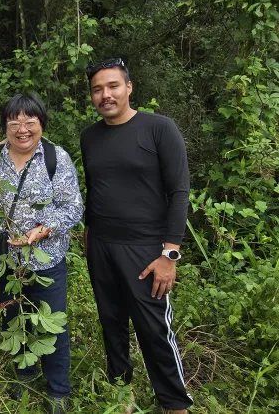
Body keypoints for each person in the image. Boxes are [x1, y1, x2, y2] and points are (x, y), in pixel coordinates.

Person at [80, 58, 193, 414]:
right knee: (111, 322)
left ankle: (174, 403)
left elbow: (179, 192)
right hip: (100, 245)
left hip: (146, 249)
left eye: (113, 86)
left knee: (155, 330)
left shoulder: (159, 128)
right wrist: (88, 234)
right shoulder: (90, 136)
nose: (105, 95)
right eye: (98, 89)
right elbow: (95, 188)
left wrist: (169, 254)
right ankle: (120, 392)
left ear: (129, 87)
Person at [0, 94, 84, 414]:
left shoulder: (55, 158)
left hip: (47, 259)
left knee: (51, 326)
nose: (22, 129)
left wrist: (43, 230)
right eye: (14, 122)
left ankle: (58, 391)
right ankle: (25, 375)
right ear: (5, 125)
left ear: (41, 124)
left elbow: (74, 208)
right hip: (8, 261)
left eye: (30, 122)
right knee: (14, 320)